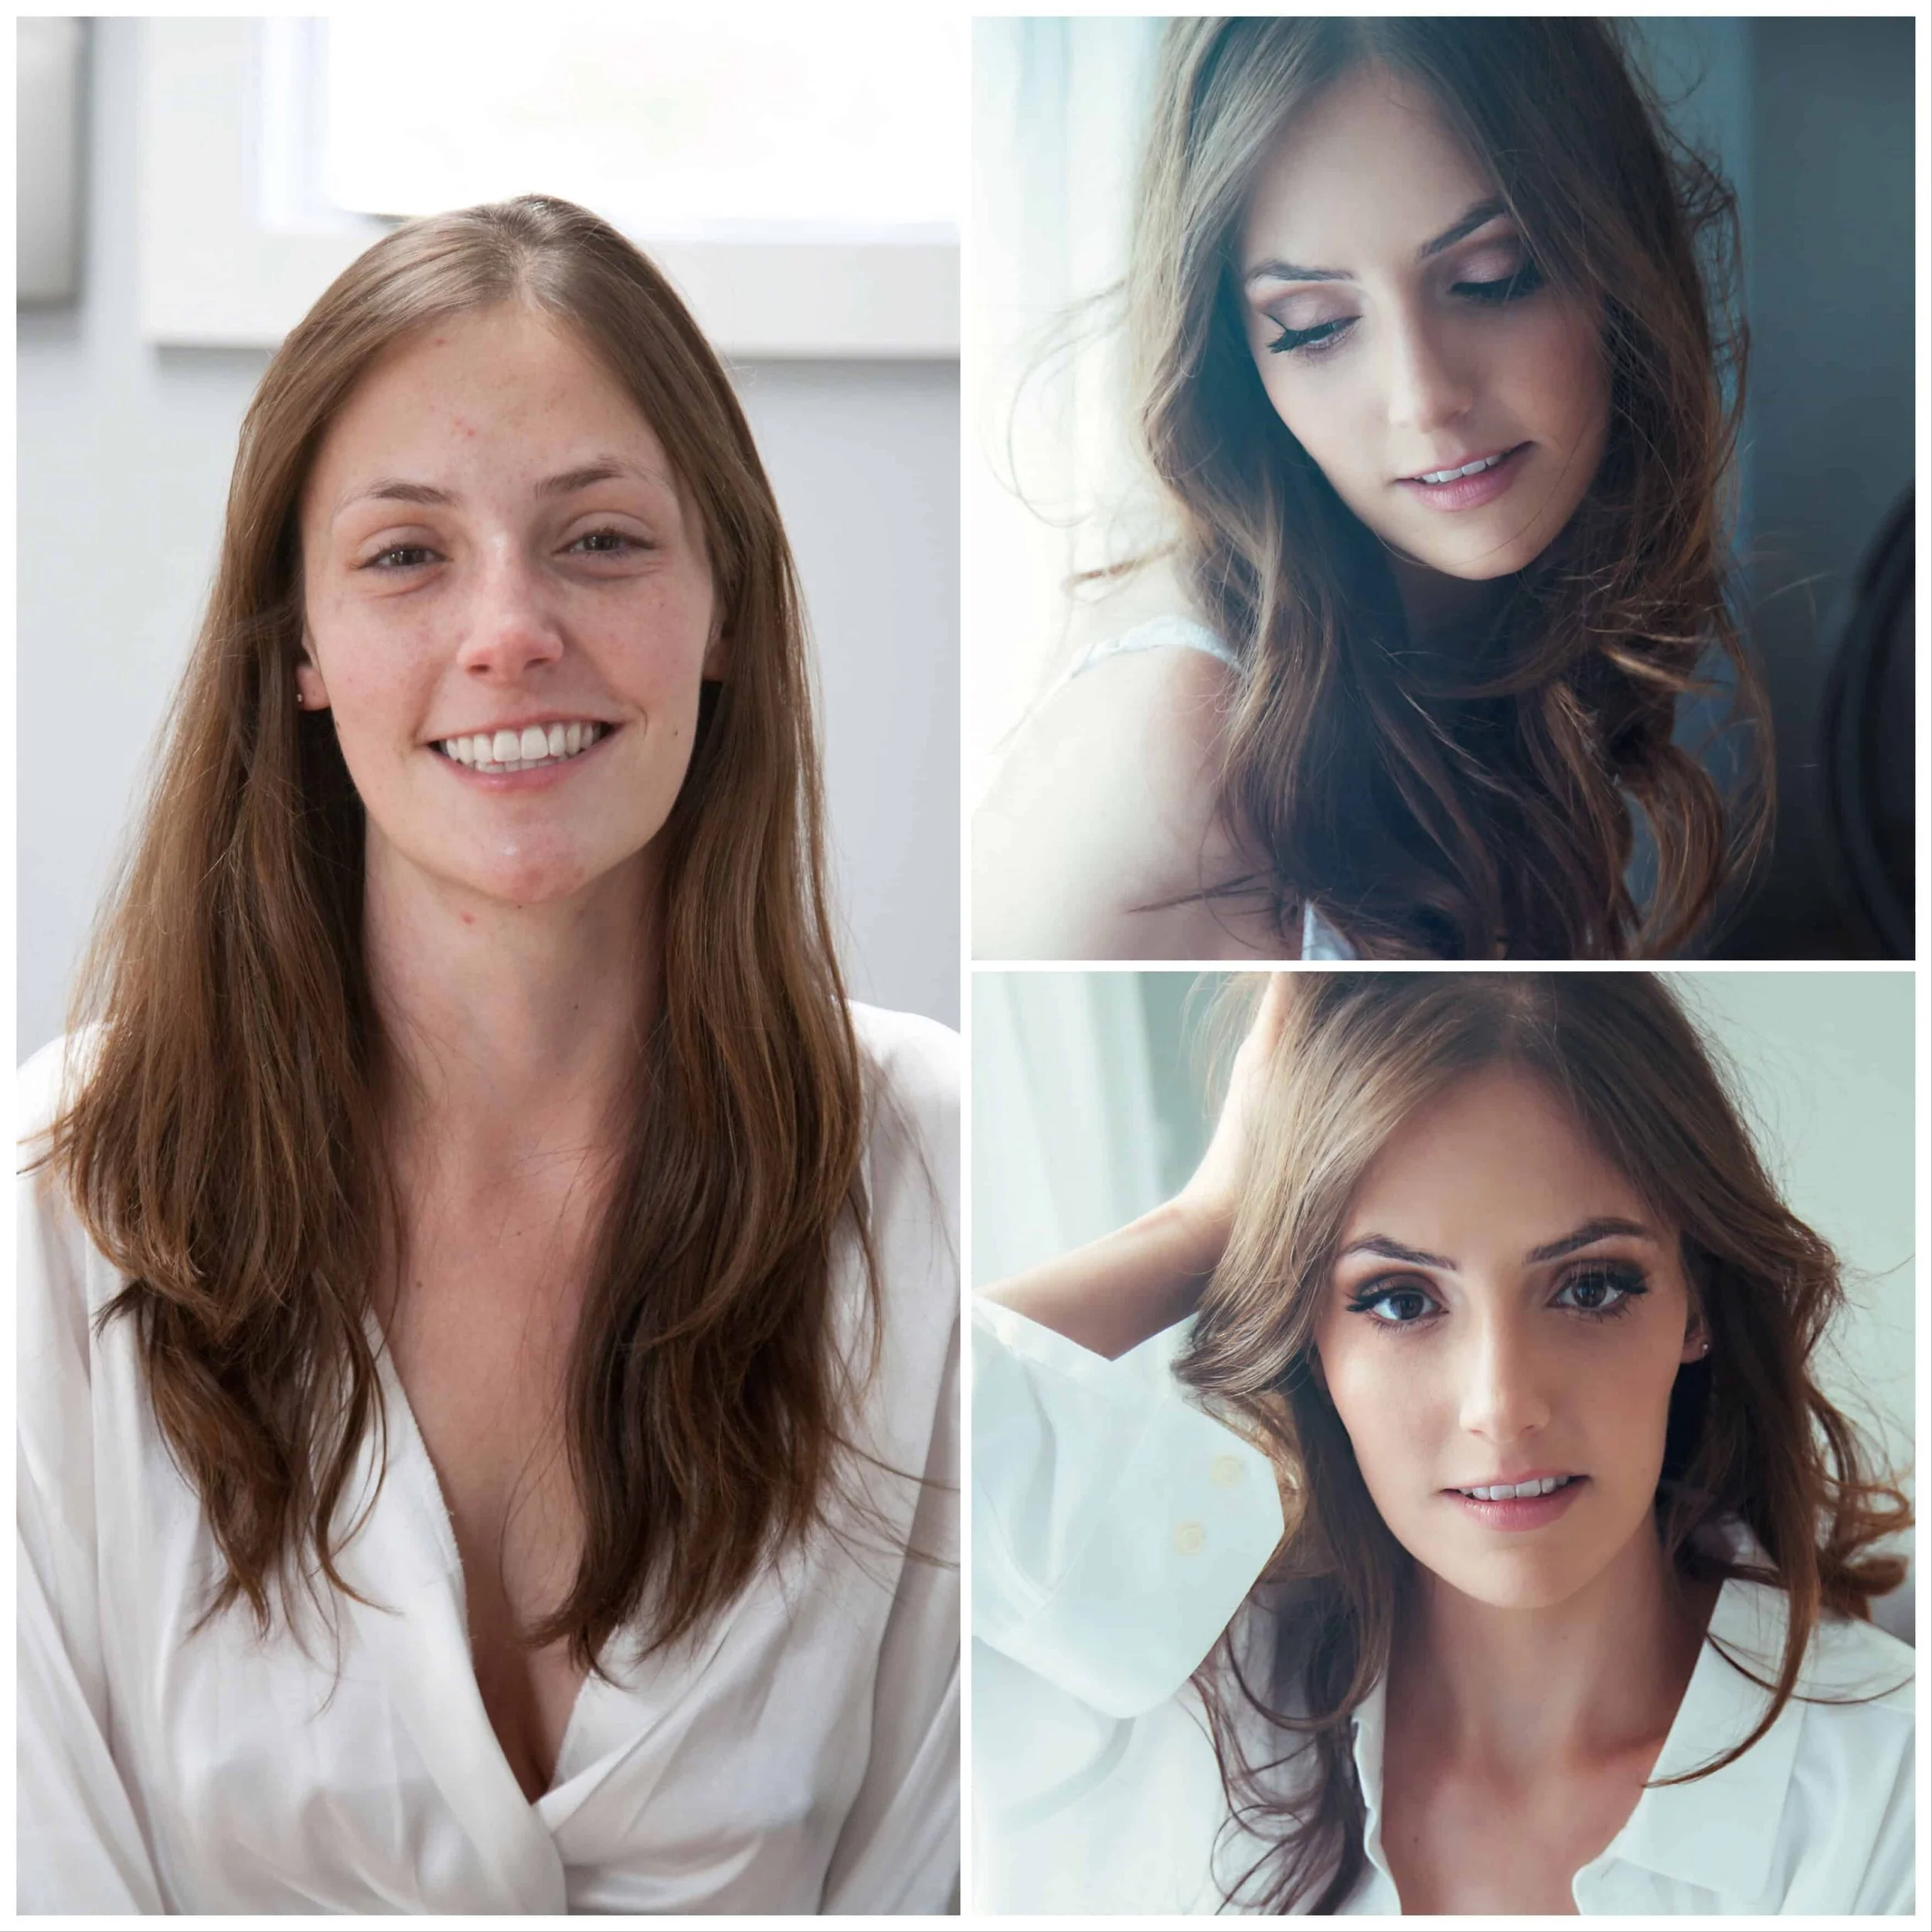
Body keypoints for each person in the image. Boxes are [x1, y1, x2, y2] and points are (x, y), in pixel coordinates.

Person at [19, 196, 958, 1915]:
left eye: (599, 540)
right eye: (405, 555)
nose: (509, 630)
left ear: (726, 612)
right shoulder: (58, 1191)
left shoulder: (939, 1172)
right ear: (300, 646)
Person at [974, 974, 1913, 1913]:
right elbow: (902, 1441)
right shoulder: (1185, 1694)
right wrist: (1198, 1226)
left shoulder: (1891, 1792)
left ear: (1695, 1304)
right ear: (1310, 1338)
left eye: (1589, 1287)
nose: (1501, 1408)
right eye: (1400, 1300)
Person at [975, 18, 1767, 961]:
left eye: (1493, 278)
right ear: (1235, 357)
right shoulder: (1180, 740)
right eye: (1313, 327)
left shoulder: (1506, 629)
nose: (1423, 399)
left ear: (1619, 261)